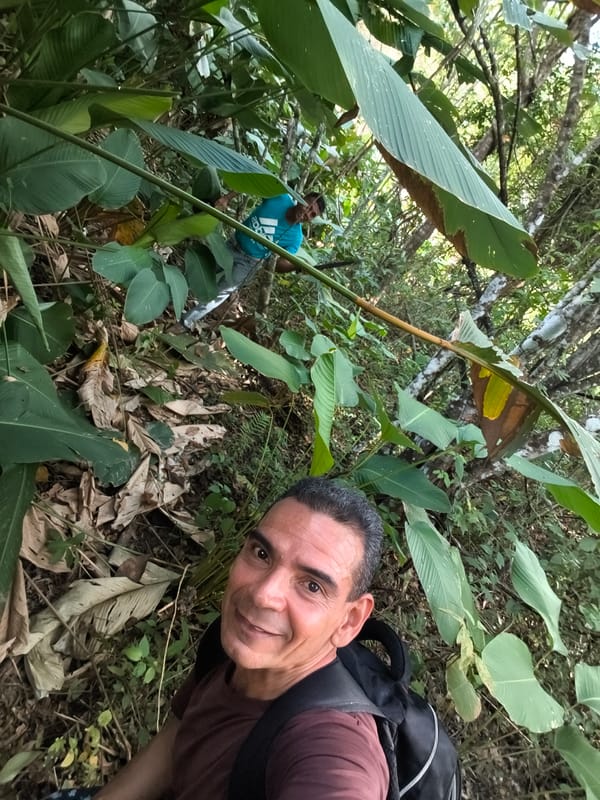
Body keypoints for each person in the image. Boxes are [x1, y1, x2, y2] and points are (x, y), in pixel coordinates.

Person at [49, 477, 389, 800]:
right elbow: (179, 738)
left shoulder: (333, 748)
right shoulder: (229, 646)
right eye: (261, 554)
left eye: (312, 586)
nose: (263, 594)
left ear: (350, 620)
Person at [182, 192, 325, 327]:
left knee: (220, 293)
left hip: (248, 263)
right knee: (198, 270)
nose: (307, 213)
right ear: (302, 198)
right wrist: (227, 198)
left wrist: (296, 266)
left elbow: (277, 266)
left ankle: (185, 323)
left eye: (312, 214)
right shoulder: (280, 198)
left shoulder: (295, 238)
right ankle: (170, 298)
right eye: (309, 206)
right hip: (232, 244)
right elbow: (252, 183)